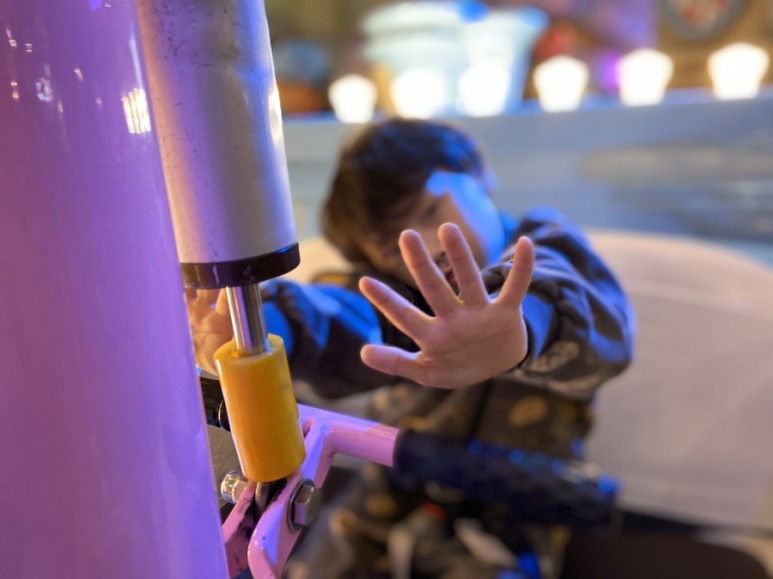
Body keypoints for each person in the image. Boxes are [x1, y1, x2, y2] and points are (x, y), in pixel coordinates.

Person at [187, 118, 635, 579]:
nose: (429, 247)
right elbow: (344, 315)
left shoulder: (545, 248)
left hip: (515, 505)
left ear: (478, 171)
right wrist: (257, 331)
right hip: (390, 484)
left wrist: (525, 324)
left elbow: (587, 316)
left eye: (430, 210)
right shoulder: (401, 298)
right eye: (394, 247)